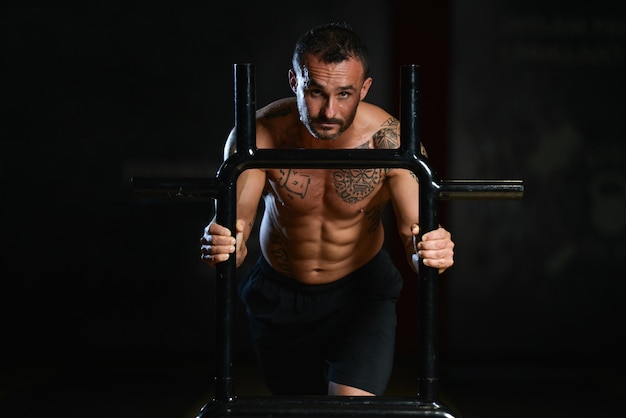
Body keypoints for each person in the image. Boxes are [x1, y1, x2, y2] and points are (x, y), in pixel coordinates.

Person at [200, 22, 454, 397]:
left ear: (365, 88)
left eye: (345, 94)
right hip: (279, 293)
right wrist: (223, 244)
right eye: (315, 92)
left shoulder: (391, 143)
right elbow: (237, 224)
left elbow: (414, 234)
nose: (329, 111)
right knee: (299, 407)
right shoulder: (260, 135)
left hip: (360, 293)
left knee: (350, 410)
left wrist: (431, 251)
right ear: (294, 81)